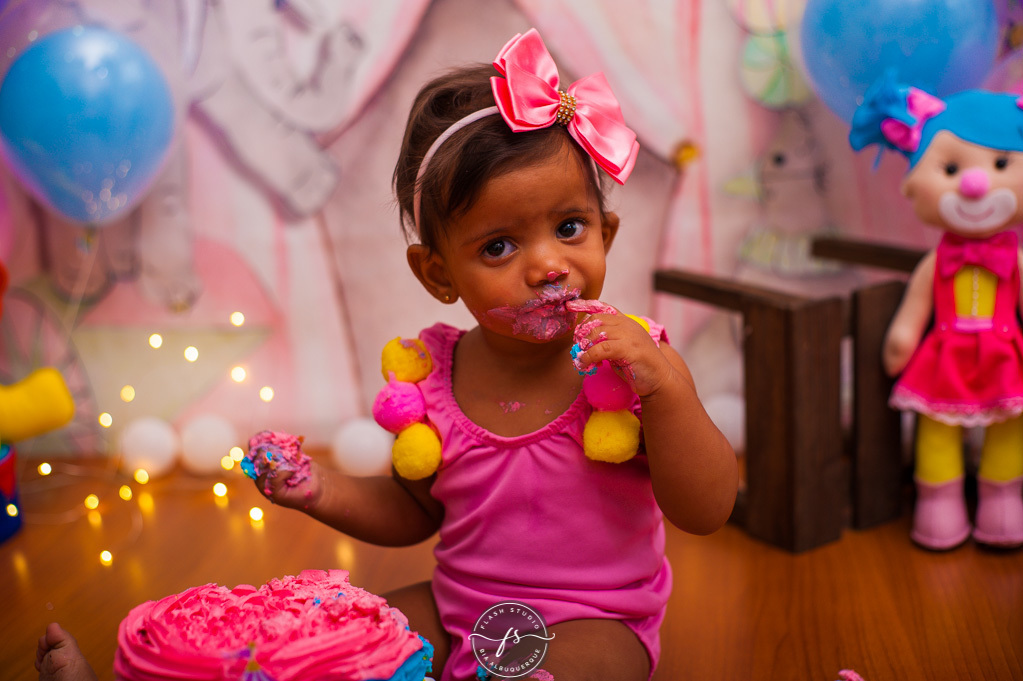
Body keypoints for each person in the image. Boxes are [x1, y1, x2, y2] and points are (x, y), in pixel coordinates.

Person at [251, 29, 737, 681]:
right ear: (437, 274)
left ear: (606, 233)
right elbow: (413, 511)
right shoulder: (434, 377)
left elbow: (707, 509)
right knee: (344, 643)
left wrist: (667, 390)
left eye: (569, 228)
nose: (547, 265)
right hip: (458, 609)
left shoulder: (632, 366)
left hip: (594, 621)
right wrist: (319, 489)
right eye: (498, 247)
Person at [850, 75, 1023, 550]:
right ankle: (938, 504)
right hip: (945, 358)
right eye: (950, 169)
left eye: (1002, 164)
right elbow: (914, 310)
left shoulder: (1015, 260)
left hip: (1005, 358)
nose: (974, 183)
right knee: (937, 430)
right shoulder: (936, 262)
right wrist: (902, 340)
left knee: (1010, 429)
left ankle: (1003, 499)